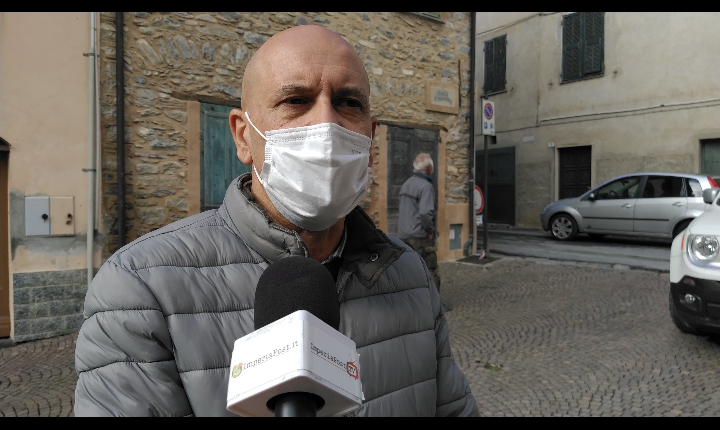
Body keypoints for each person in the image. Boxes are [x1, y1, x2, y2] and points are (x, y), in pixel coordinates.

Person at [73, 25, 478, 417]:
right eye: (296, 100)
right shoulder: (140, 290)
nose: (326, 124)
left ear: (370, 138)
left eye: (348, 103)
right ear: (243, 137)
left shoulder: (411, 276)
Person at [398, 153, 441, 292]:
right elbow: (425, 213)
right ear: (429, 168)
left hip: (404, 236)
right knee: (430, 270)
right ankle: (433, 302)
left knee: (408, 272)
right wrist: (430, 230)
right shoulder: (425, 186)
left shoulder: (406, 184)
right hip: (419, 237)